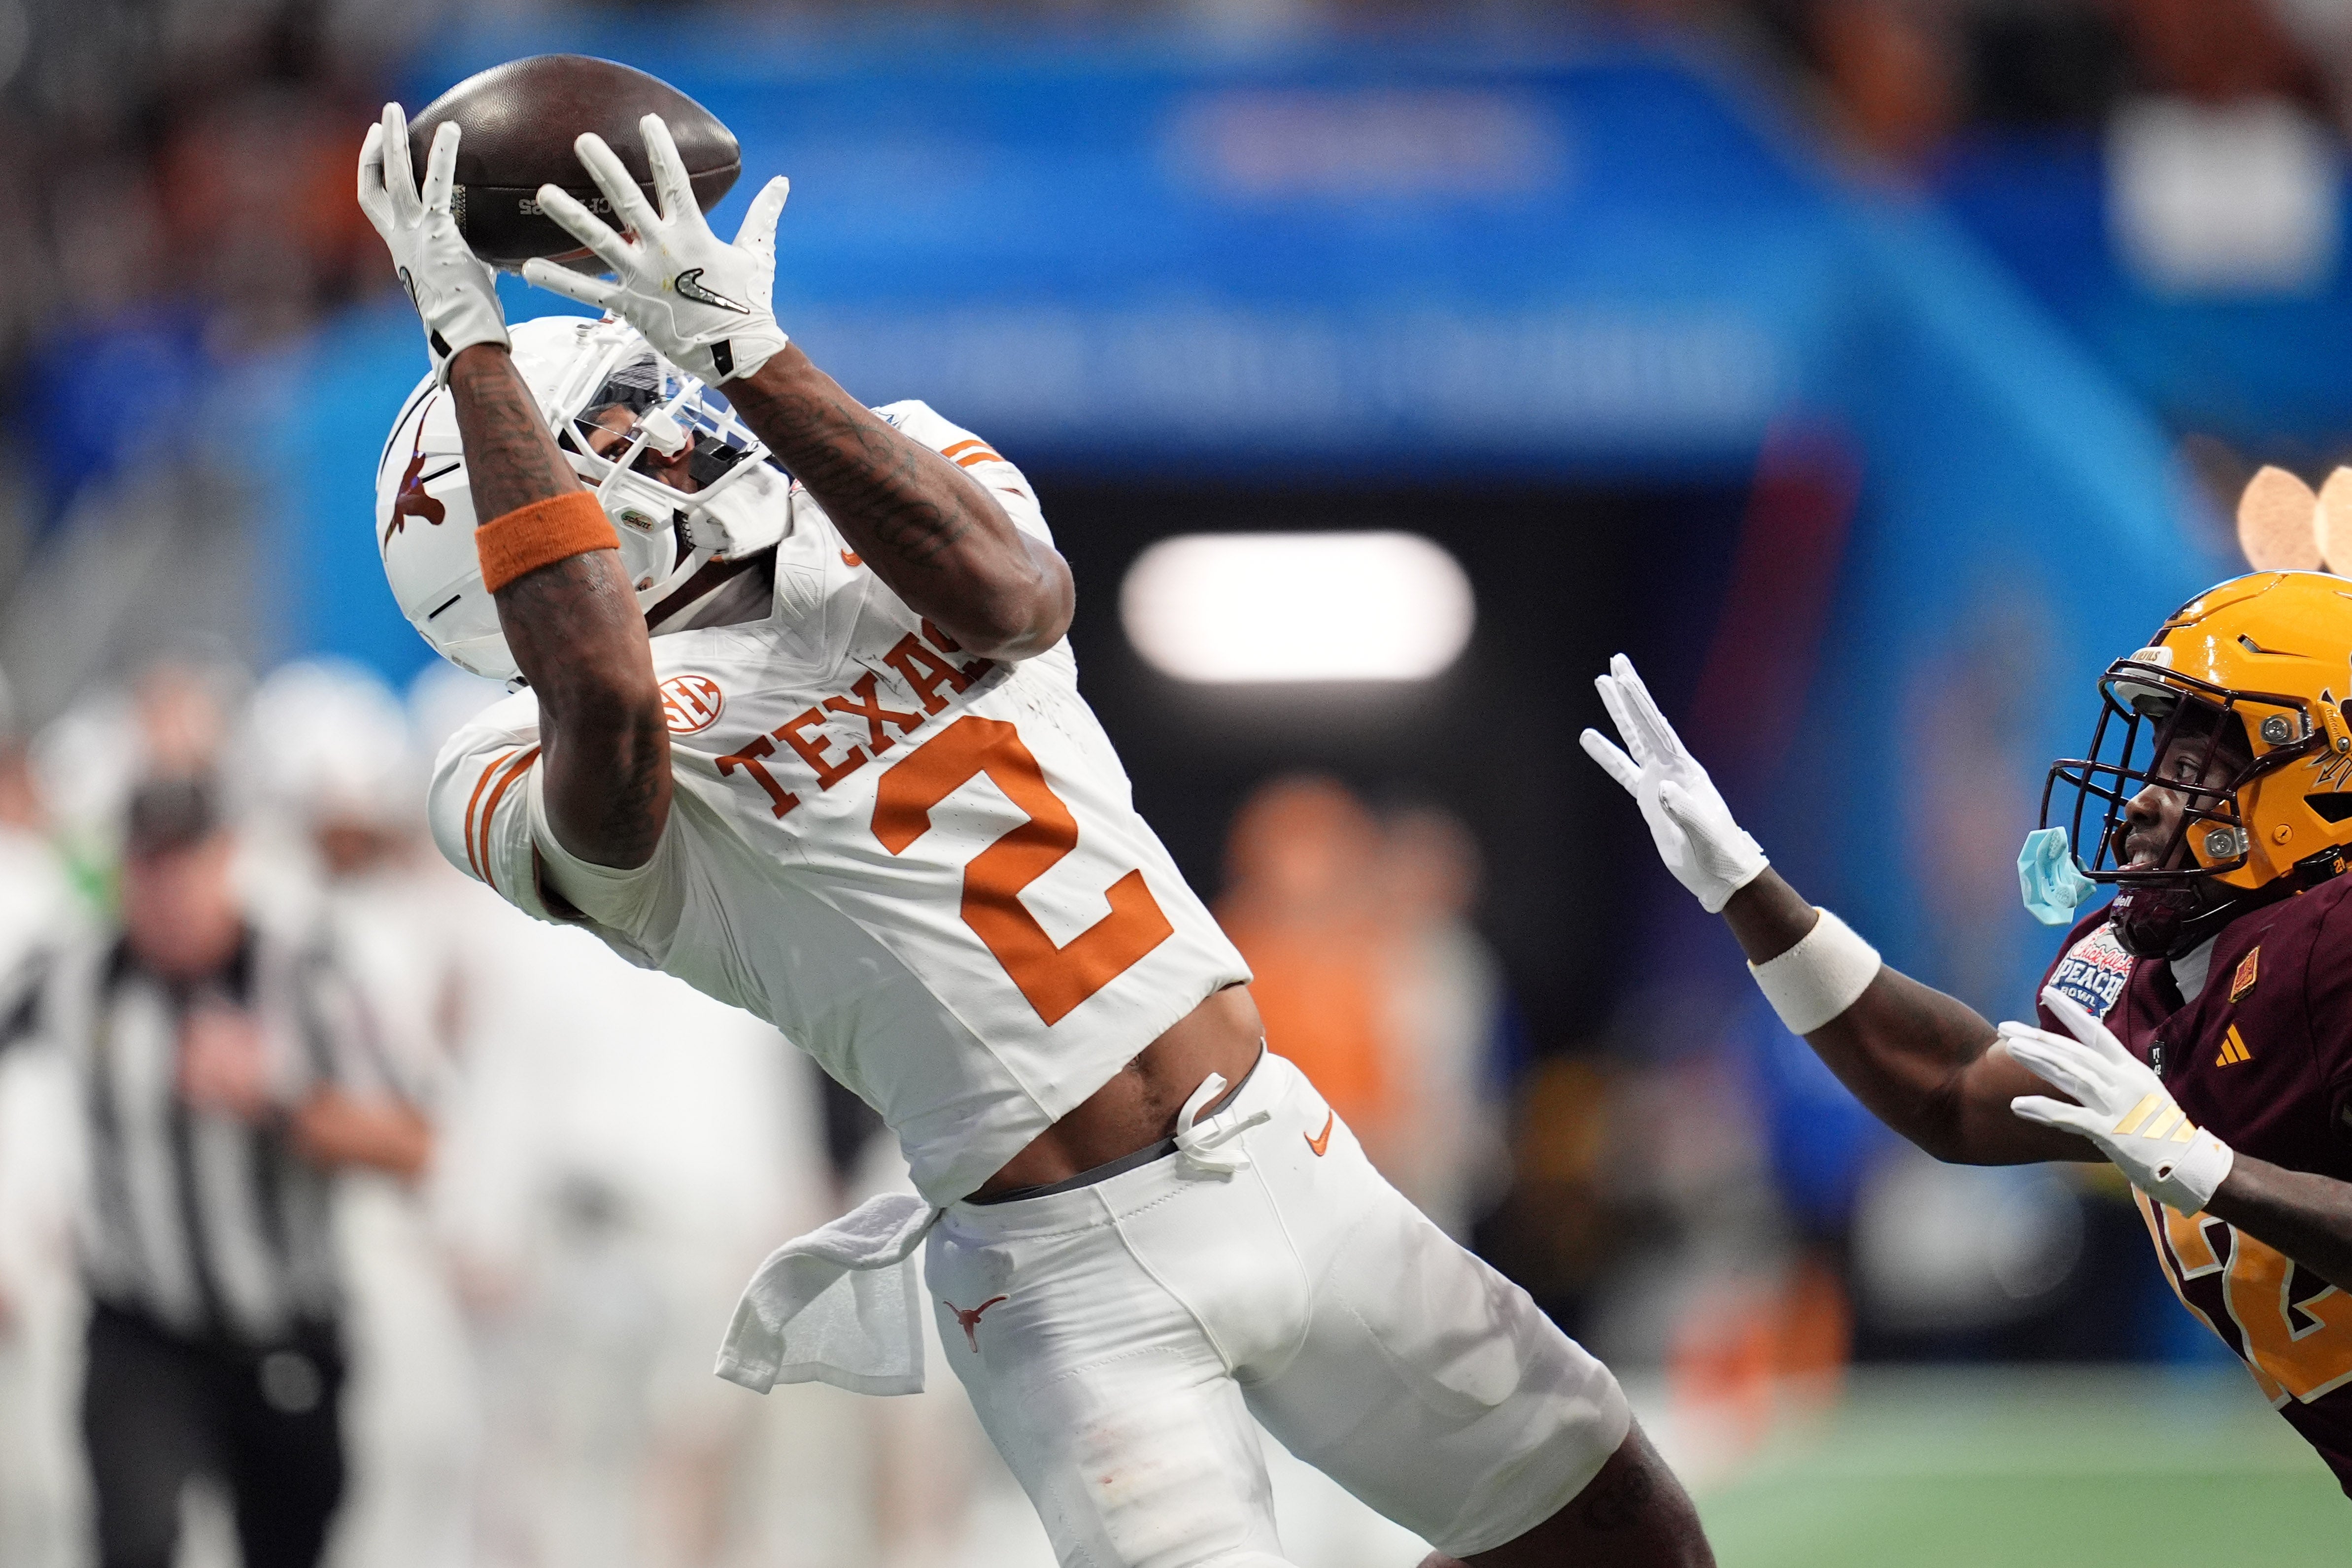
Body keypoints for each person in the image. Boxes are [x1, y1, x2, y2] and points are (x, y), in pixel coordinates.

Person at [356, 91, 1714, 1568]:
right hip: (1069, 1274)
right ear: (542, 510)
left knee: (1626, 1534)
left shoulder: (884, 483)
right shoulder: (506, 762)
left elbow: (1010, 594)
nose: (668, 421)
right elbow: (609, 715)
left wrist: (745, 349)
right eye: (614, 424)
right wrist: (471, 346)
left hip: (1282, 1146)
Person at [1582, 572, 2352, 1497]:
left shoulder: (2331, 954)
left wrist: (2209, 1171)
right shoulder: (2157, 970)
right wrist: (1743, 884)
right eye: (2156, 762)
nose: (2144, 801)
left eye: (2192, 771)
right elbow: (1951, 1088)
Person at [0, 777, 433, 1568]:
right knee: (135, 1542)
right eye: (147, 866)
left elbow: (415, 1143)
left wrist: (283, 1097)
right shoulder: (77, 971)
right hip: (142, 1326)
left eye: (184, 863)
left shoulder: (305, 971)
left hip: (283, 1328)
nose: (166, 892)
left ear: (227, 857)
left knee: (286, 1545)